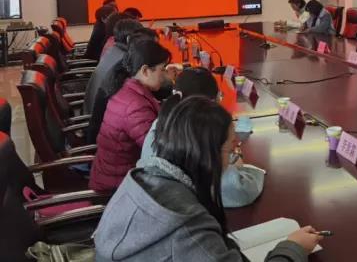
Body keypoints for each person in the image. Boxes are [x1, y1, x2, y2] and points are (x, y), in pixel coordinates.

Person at [94, 96, 322, 261]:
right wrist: (293, 248)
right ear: (207, 154)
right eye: (230, 149)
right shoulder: (185, 226)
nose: (233, 154)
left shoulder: (143, 176)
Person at [139, 67, 265, 208]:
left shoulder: (163, 121)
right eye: (218, 98)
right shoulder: (194, 136)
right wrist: (236, 160)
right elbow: (240, 190)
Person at [89, 39, 172, 192]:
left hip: (113, 176)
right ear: (145, 70)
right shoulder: (135, 106)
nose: (164, 75)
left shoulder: (127, 88)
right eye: (163, 69)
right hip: (118, 188)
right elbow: (159, 153)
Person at [83, 18, 143, 114]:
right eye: (141, 38)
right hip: (102, 116)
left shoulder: (113, 50)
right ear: (129, 39)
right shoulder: (125, 60)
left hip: (93, 110)